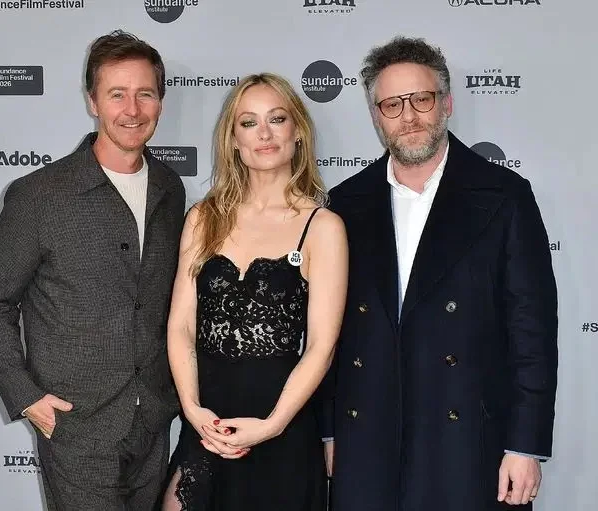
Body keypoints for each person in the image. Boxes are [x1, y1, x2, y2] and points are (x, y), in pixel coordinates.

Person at [319, 36, 558, 511]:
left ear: (446, 103)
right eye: (392, 104)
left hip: (470, 443)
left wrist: (525, 446)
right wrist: (329, 431)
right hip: (367, 440)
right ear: (376, 117)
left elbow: (532, 331)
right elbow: (328, 335)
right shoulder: (344, 203)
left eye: (422, 99)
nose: (408, 116)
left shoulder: (504, 196)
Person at [0, 30, 186, 510]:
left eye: (145, 94)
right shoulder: (39, 195)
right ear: (93, 101)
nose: (132, 110)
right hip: (76, 427)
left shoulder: (170, 189)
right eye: (117, 94)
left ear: (160, 102)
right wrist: (27, 396)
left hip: (153, 421)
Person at [160, 72, 348, 510]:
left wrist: (272, 425)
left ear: (297, 132)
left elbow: (321, 346)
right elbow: (181, 326)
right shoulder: (203, 218)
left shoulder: (322, 227)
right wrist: (192, 409)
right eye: (249, 122)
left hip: (282, 431)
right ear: (233, 140)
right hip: (207, 427)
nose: (264, 133)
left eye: (276, 119)